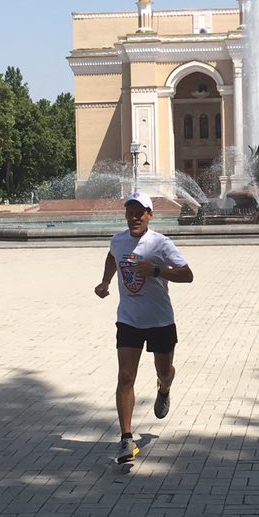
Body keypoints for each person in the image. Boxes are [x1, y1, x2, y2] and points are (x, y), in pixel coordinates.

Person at [94, 192, 194, 462]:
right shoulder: (118, 240)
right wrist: (104, 283)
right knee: (125, 376)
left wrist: (157, 271)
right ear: (125, 215)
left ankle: (164, 389)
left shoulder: (161, 244)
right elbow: (112, 257)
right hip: (129, 319)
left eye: (141, 212)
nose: (135, 217)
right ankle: (126, 439)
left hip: (160, 320)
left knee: (165, 371)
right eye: (130, 212)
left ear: (150, 215)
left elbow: (188, 275)